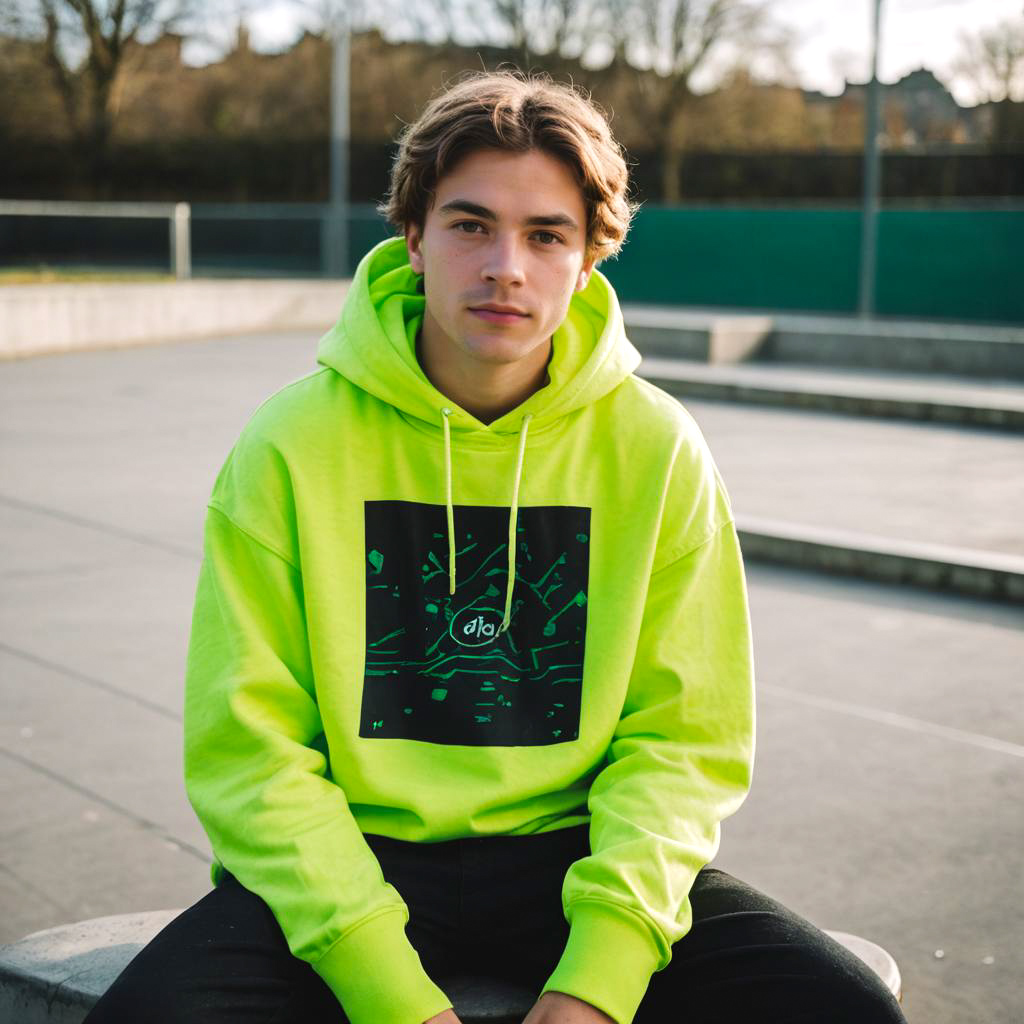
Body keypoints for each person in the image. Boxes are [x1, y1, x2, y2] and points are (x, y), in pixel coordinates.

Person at [84, 70, 907, 1024]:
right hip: (348, 851)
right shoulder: (291, 443)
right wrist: (384, 985)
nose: (505, 265)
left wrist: (602, 974)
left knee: (842, 1012)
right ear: (415, 240)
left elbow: (684, 740)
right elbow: (248, 749)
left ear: (589, 262)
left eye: (546, 235)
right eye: (471, 225)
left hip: (573, 851)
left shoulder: (655, 446)